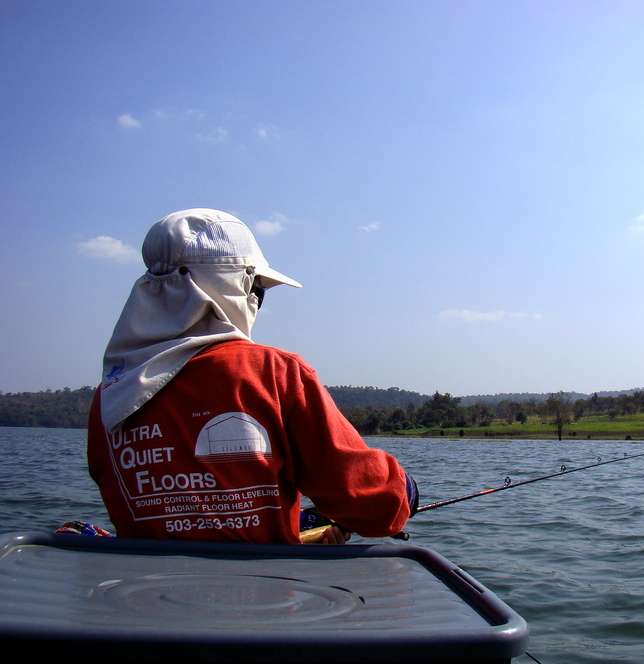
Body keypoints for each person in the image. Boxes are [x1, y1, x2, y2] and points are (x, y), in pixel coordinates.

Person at [87, 208, 417, 545]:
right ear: (241, 289)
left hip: (141, 591)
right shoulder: (276, 374)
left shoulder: (110, 395)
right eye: (259, 289)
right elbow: (376, 507)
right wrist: (405, 491)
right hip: (262, 592)